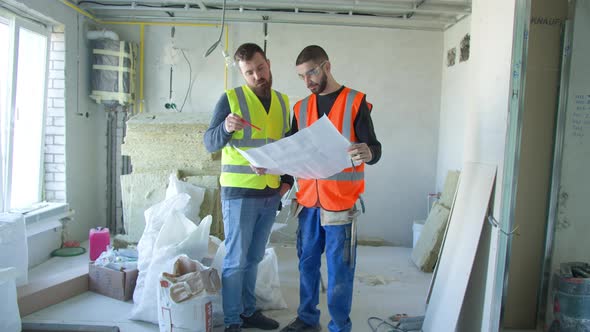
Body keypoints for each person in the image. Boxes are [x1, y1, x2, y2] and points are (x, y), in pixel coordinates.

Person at [281, 45, 382, 332]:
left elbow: (374, 147)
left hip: (341, 205)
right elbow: (290, 149)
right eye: (301, 77)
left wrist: (369, 153)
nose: (307, 82)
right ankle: (307, 318)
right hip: (308, 202)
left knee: (340, 272)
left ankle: (339, 326)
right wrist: (272, 165)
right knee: (307, 265)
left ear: (326, 66)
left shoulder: (354, 102)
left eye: (311, 73)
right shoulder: (300, 108)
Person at [204, 43, 292, 332]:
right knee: (235, 260)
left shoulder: (283, 102)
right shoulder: (230, 100)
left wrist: (286, 184)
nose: (257, 76)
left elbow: (289, 147)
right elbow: (209, 143)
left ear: (268, 63)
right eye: (249, 72)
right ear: (242, 74)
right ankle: (232, 322)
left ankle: (248, 311)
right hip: (239, 192)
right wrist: (226, 127)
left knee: (254, 258)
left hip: (270, 193)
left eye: (261, 68)